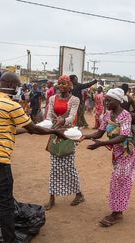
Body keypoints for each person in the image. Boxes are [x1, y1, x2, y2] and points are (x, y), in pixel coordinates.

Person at [0, 72, 66, 242]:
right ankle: (10, 240)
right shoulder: (11, 105)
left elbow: (9, 128)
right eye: (18, 86)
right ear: (13, 86)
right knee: (5, 202)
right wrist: (54, 131)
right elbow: (33, 128)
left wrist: (29, 130)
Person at [81, 88, 135, 227]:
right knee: (117, 179)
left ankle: (117, 213)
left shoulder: (125, 115)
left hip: (126, 151)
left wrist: (102, 144)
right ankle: (116, 210)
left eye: (109, 100)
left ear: (118, 101)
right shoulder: (107, 115)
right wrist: (85, 136)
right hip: (116, 150)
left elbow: (123, 136)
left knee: (121, 180)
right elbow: (99, 133)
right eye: (105, 100)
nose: (105, 102)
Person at [44, 75, 85, 210]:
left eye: (64, 84)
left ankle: (79, 194)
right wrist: (50, 123)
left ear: (70, 86)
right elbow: (49, 114)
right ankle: (52, 197)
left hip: (68, 134)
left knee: (68, 166)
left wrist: (64, 121)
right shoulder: (52, 98)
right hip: (55, 133)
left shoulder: (75, 99)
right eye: (60, 84)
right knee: (54, 167)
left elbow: (72, 115)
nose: (61, 86)